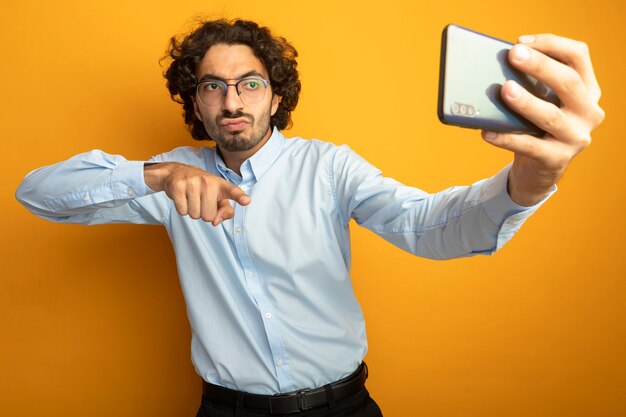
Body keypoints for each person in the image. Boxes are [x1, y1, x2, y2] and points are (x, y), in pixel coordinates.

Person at [15, 18, 604, 417]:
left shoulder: (329, 167)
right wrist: (158, 175)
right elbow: (37, 193)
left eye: (250, 83)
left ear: (275, 95)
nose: (232, 101)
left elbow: (430, 227)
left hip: (342, 406)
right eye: (212, 86)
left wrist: (531, 178)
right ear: (194, 101)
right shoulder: (172, 175)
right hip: (227, 409)